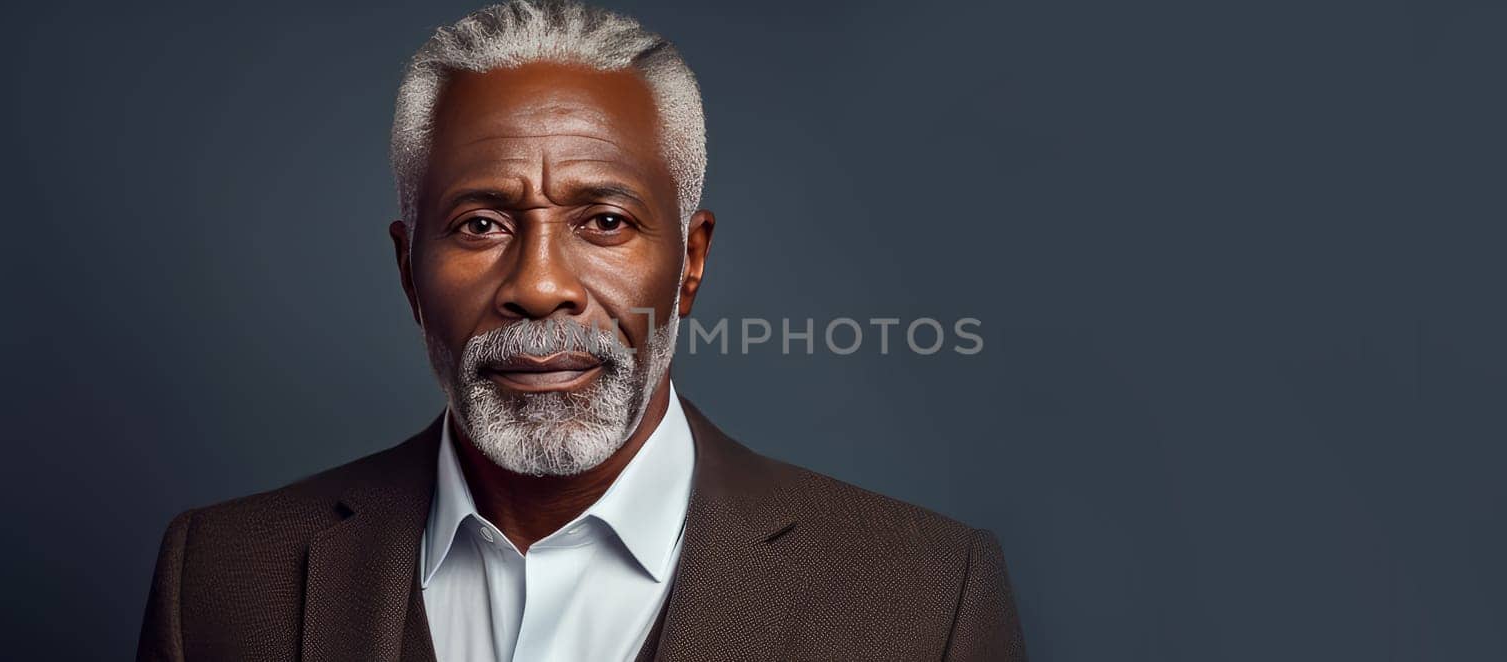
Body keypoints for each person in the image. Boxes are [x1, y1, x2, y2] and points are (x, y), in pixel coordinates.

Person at [136, 2, 1025, 659]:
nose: (540, 286)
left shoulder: (924, 599)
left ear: (691, 262)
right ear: (408, 270)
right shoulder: (216, 579)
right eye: (480, 224)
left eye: (604, 221)